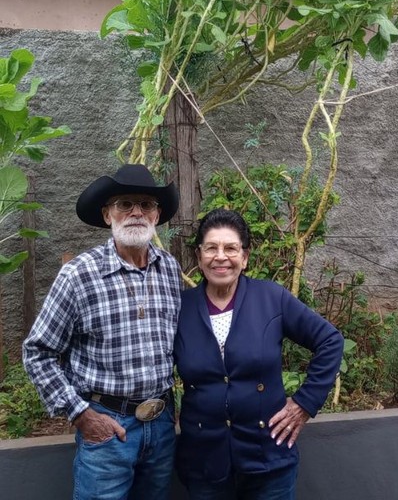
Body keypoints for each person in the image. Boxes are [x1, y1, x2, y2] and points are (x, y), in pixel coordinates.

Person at [23, 163, 182, 500]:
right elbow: (38, 352)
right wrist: (80, 414)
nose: (136, 212)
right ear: (108, 215)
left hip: (162, 424)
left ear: (156, 216)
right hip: (106, 428)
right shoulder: (79, 275)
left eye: (146, 204)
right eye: (125, 203)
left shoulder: (169, 269)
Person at [174, 208, 344, 499]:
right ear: (199, 256)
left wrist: (304, 403)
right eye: (211, 248)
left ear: (245, 257)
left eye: (231, 248)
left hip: (267, 458)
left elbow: (330, 341)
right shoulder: (179, 308)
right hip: (204, 461)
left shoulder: (271, 298)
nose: (221, 256)